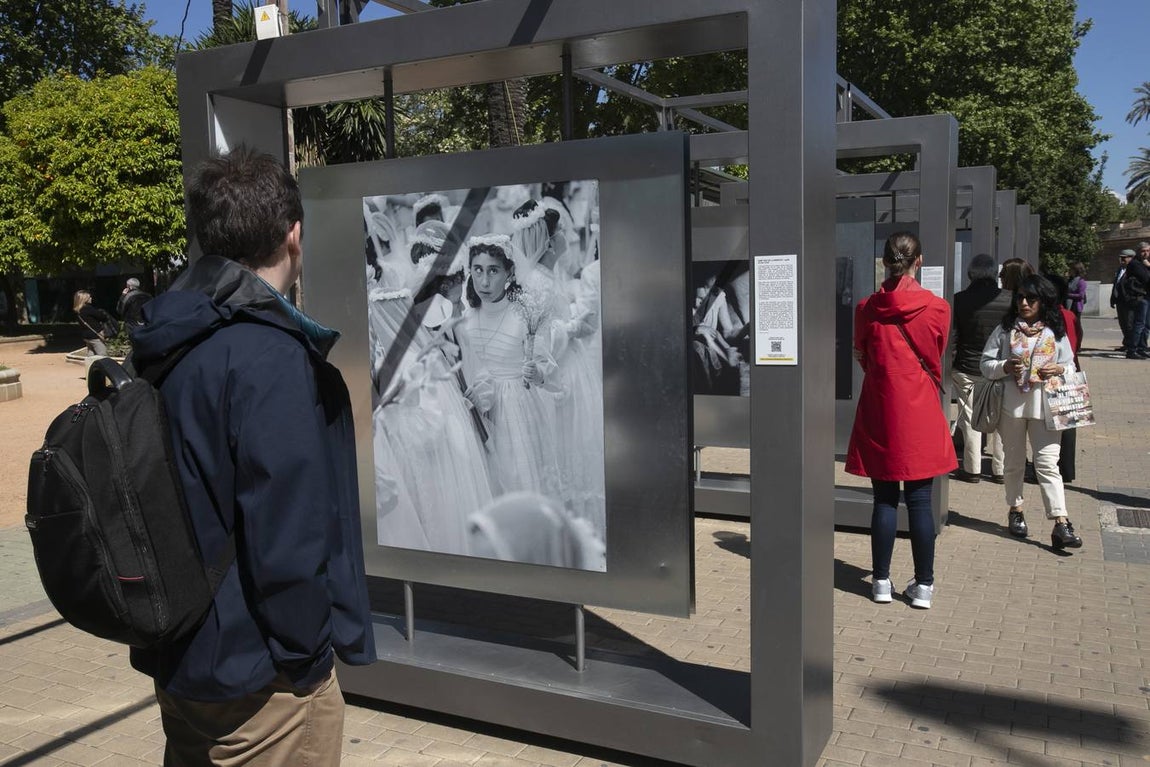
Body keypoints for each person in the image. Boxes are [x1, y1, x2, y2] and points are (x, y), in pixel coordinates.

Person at [128, 146, 376, 766]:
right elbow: (286, 536)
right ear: (293, 235)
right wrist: (308, 662)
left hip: (182, 656)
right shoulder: (269, 356)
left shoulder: (167, 341)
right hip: (263, 685)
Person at [846, 232, 956, 609]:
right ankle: (923, 586)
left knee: (884, 499)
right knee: (921, 501)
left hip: (881, 406)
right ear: (918, 261)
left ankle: (880, 581)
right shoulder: (938, 308)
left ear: (884, 262)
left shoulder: (866, 308)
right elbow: (936, 353)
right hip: (920, 407)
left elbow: (863, 355)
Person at [456, 235, 564, 505]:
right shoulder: (465, 318)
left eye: (493, 271)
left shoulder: (523, 314)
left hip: (516, 409)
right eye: (478, 270)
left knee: (520, 479)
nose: (484, 281)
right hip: (477, 412)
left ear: (509, 272)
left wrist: (538, 374)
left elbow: (549, 370)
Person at [980, 273, 1082, 550]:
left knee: (1048, 464)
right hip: (1011, 407)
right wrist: (1004, 366)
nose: (1024, 303)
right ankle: (1016, 510)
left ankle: (1061, 522)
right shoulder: (1005, 329)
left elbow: (1071, 366)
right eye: (1020, 297)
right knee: (1014, 463)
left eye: (1031, 298)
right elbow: (985, 364)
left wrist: (1059, 369)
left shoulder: (1055, 332)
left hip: (1047, 407)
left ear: (1043, 301)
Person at [950, 253, 1010, 484]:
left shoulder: (959, 299)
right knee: (1001, 417)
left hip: (967, 366)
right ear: (995, 273)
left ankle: (972, 468)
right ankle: (1000, 469)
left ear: (970, 274)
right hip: (999, 369)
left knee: (968, 417)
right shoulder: (1009, 300)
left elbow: (954, 336)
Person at [1117, 247, 1150, 359]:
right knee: (1139, 324)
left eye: (1147, 251)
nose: (1145, 253)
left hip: (1145, 296)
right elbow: (1147, 278)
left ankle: (1141, 348)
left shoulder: (1140, 264)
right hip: (1140, 297)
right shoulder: (1136, 264)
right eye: (1143, 251)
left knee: (1145, 325)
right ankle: (1132, 350)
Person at [73, 289, 114, 356]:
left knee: (91, 355)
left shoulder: (78, 311)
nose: (91, 298)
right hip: (95, 335)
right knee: (102, 355)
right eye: (89, 297)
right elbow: (102, 316)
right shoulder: (88, 309)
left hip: (86, 336)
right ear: (85, 299)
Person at [1111, 250, 1133, 347]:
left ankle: (1132, 344)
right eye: (1121, 258)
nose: (1122, 260)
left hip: (1128, 301)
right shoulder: (1120, 269)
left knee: (1129, 323)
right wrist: (1112, 298)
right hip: (1119, 300)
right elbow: (1116, 285)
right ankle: (1126, 343)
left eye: (1124, 258)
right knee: (1122, 323)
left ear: (1131, 258)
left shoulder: (1133, 270)